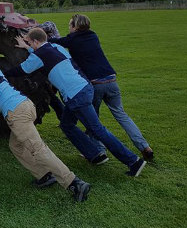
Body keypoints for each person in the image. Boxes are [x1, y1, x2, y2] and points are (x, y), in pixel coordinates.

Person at [7, 28, 147, 177]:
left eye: (29, 41)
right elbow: (44, 55)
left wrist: (1, 73)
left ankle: (133, 161)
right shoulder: (56, 47)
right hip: (85, 88)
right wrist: (28, 47)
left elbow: (22, 69)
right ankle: (95, 154)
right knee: (67, 125)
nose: (29, 43)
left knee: (98, 129)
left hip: (76, 95)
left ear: (35, 41)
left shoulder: (39, 56)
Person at [0, 55, 91, 202]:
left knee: (38, 149)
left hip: (16, 112)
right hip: (26, 104)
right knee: (15, 145)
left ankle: (74, 183)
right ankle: (44, 175)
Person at [49, 14, 154, 161]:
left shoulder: (72, 39)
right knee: (121, 115)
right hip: (111, 80)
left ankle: (99, 150)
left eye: (70, 25)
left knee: (93, 121)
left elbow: (52, 42)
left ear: (75, 26)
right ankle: (144, 147)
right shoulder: (93, 36)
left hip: (96, 84)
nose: (69, 28)